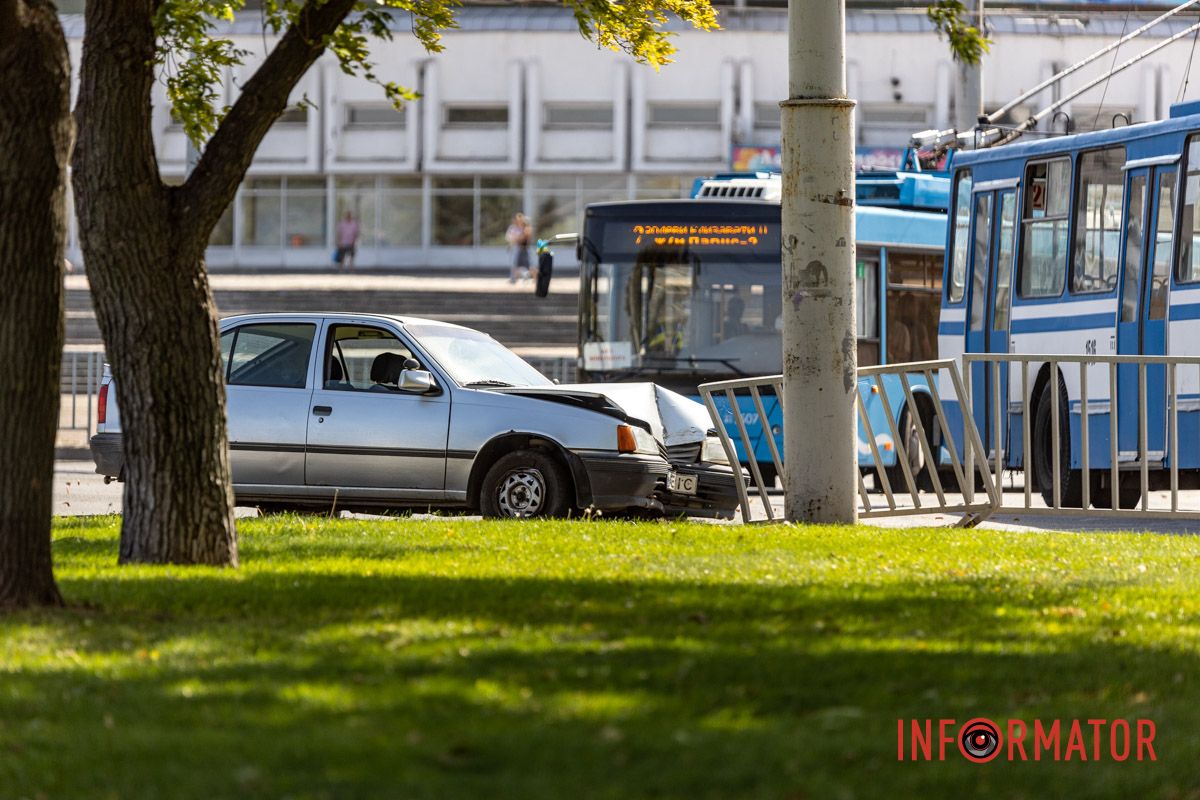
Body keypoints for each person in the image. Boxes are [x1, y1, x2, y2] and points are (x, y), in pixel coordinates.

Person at [505, 212, 532, 283]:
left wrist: (516, 239)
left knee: (519, 265)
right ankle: (515, 278)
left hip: (521, 248)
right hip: (514, 247)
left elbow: (522, 238)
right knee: (515, 264)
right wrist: (513, 240)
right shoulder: (513, 227)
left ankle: (520, 277)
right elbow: (508, 237)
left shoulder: (525, 229)